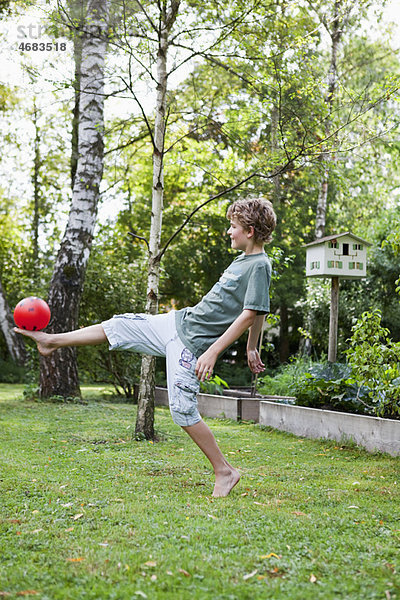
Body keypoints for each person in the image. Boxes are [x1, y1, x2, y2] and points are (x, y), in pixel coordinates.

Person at [15, 197, 277, 498]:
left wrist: (216, 350)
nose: (228, 232)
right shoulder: (242, 260)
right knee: (120, 325)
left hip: (191, 344)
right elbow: (254, 309)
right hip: (178, 322)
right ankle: (51, 341)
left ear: (251, 231)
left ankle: (225, 471)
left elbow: (251, 312)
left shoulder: (260, 264)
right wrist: (251, 347)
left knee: (182, 410)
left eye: (233, 227)